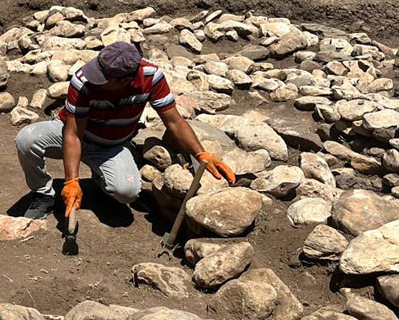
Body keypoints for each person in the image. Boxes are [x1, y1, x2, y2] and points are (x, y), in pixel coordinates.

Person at [14, 42, 236, 221]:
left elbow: (175, 121)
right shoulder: (83, 81)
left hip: (111, 145)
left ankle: (102, 183)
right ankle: (43, 194)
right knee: (27, 139)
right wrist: (71, 180)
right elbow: (73, 134)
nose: (95, 79)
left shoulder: (151, 77)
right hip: (71, 133)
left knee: (126, 192)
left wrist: (200, 154)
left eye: (103, 78)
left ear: (126, 80)